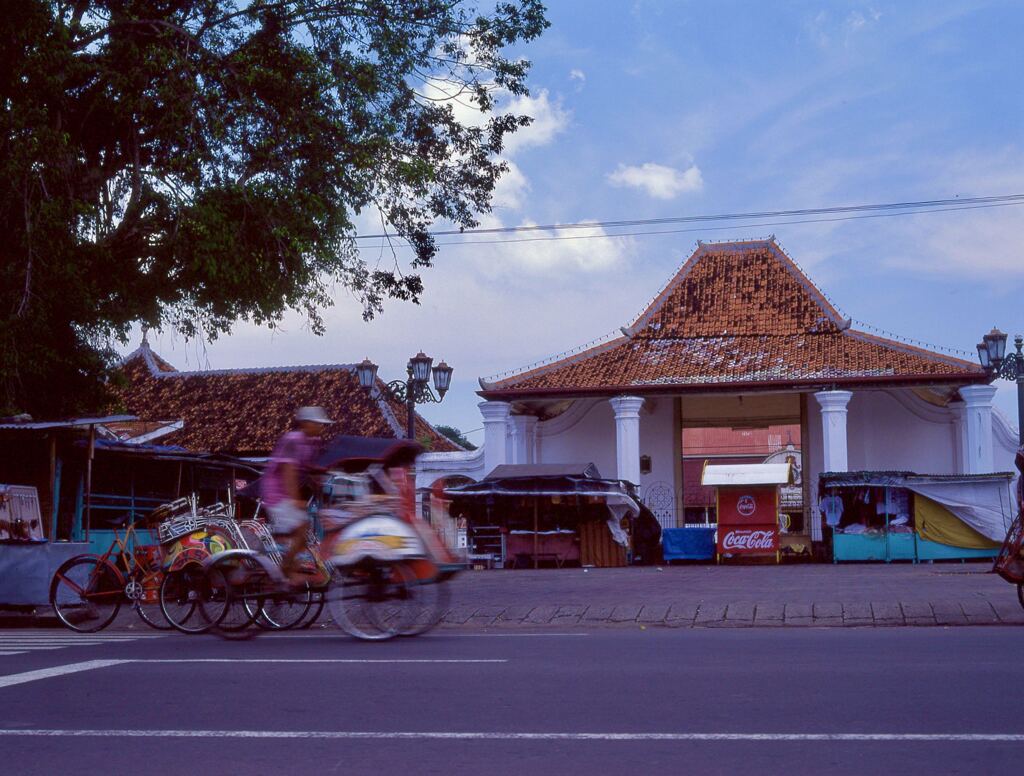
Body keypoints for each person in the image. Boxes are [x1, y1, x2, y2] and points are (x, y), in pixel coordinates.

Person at [261, 406, 332, 585]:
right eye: (317, 423)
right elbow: (289, 473)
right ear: (305, 423)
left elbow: (311, 468)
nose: (321, 427)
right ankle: (283, 571)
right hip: (276, 493)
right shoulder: (292, 440)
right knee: (302, 527)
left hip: (288, 493)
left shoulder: (314, 442)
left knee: (303, 532)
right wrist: (294, 499)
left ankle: (287, 569)